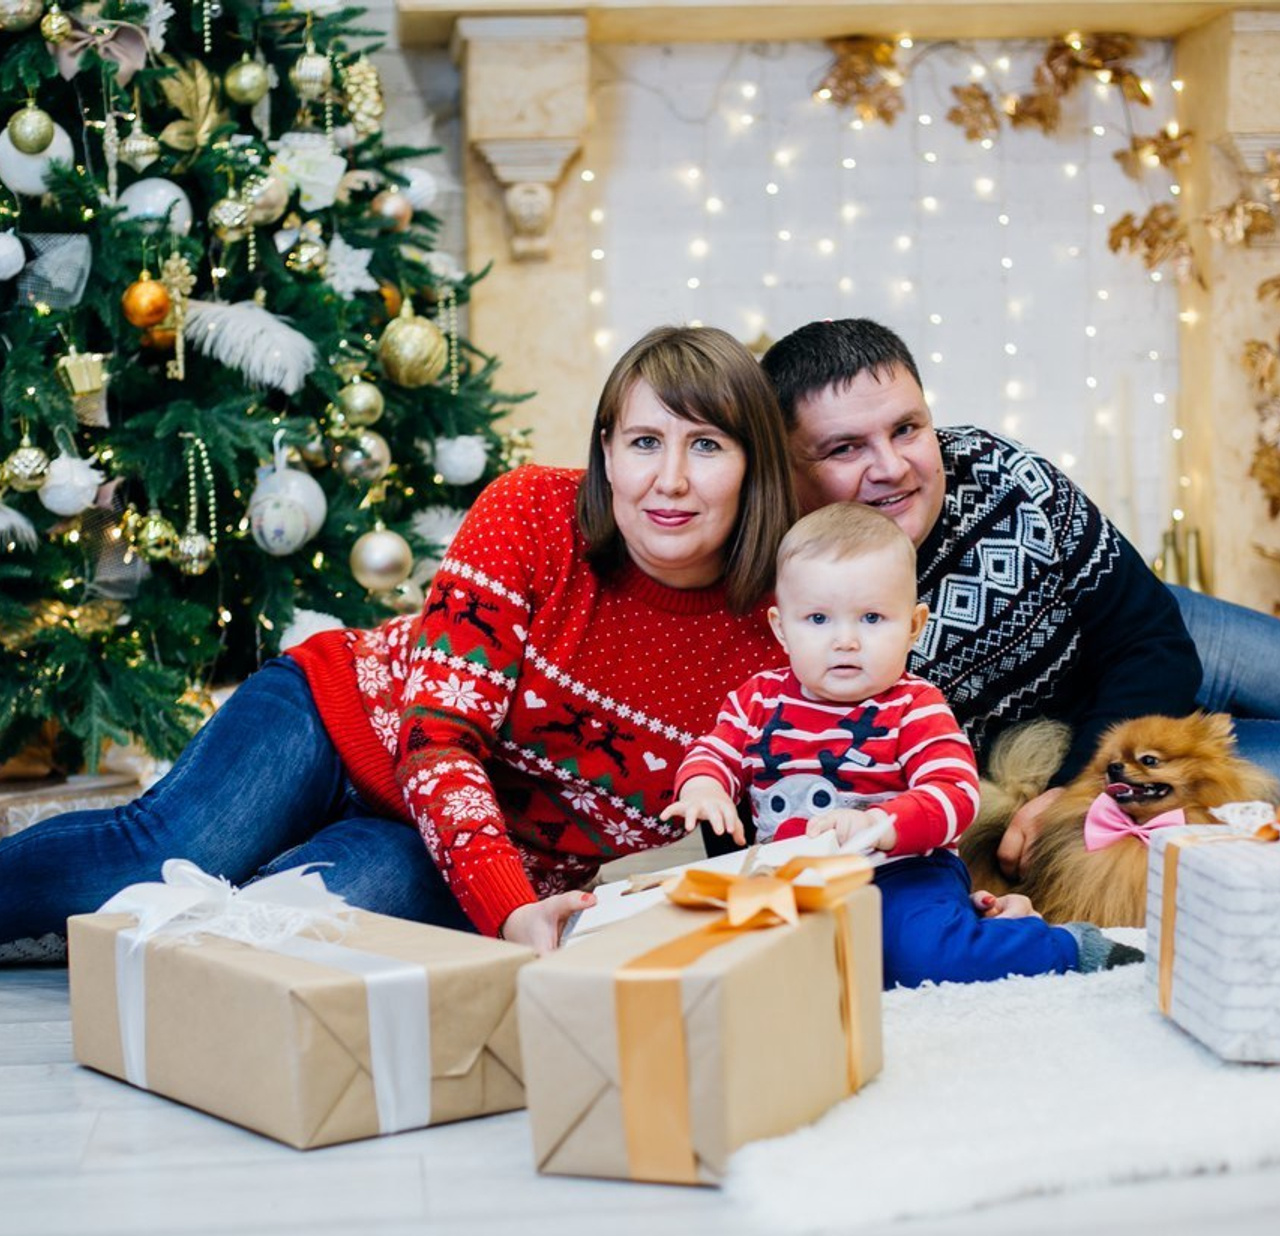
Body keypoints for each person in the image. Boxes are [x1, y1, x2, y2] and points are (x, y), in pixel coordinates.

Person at [0, 325, 798, 960]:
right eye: (645, 442)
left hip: (453, 849)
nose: (671, 481)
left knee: (269, 936)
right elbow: (438, 737)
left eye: (706, 445)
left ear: (751, 466)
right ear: (607, 453)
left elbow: (782, 833)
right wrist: (511, 908)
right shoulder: (533, 513)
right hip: (335, 722)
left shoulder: (776, 637)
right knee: (159, 853)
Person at [760, 317, 1280, 882]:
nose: (890, 467)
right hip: (1051, 759)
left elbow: (1151, 639)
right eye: (844, 448)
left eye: (907, 428)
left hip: (1136, 640)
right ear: (787, 468)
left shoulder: (1003, 474)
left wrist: (1076, 790)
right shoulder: (796, 588)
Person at [661, 502, 1139, 987]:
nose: (845, 640)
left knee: (925, 957)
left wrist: (880, 823)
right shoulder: (757, 699)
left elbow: (955, 793)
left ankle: (1063, 945)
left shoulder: (914, 706)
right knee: (737, 966)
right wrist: (704, 787)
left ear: (913, 626)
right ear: (781, 628)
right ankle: (983, 925)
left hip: (903, 872)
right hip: (790, 879)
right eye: (818, 619)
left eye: (871, 618)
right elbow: (714, 751)